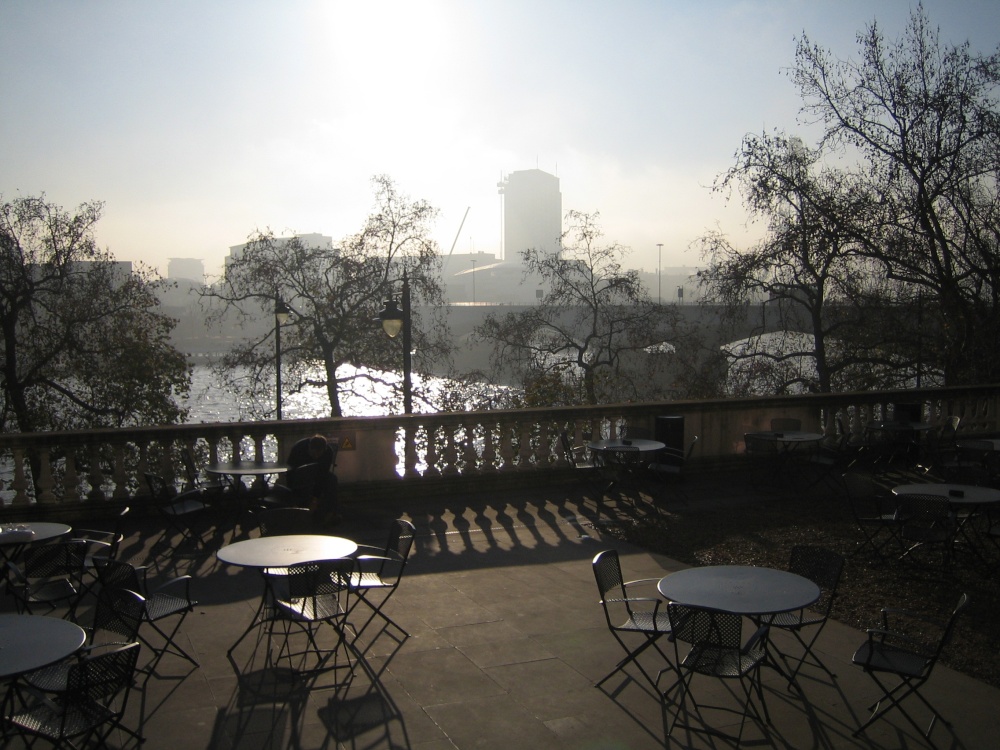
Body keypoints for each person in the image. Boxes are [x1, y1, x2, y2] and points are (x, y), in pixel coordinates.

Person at [285, 434, 340, 525]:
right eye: (314, 453)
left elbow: (323, 474)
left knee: (332, 480)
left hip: (317, 474)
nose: (316, 456)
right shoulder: (298, 449)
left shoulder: (328, 452)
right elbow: (290, 472)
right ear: (309, 448)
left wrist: (315, 497)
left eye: (319, 454)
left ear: (324, 450)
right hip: (300, 475)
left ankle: (331, 513)